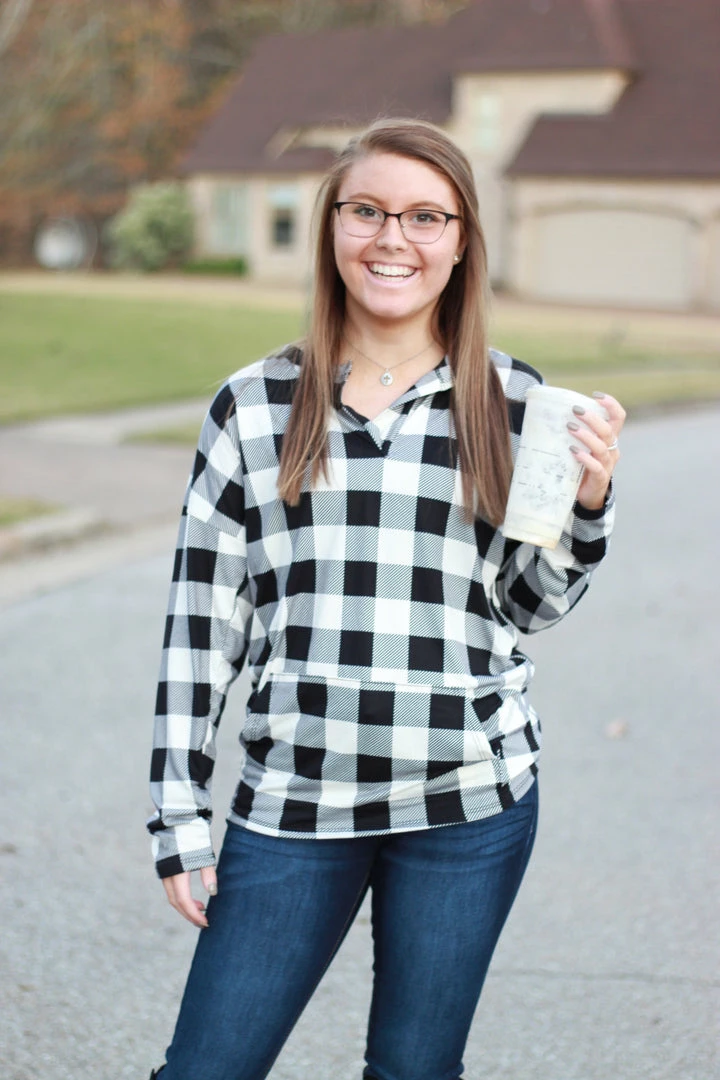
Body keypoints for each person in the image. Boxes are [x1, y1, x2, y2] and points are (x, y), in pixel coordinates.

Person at [147, 117, 625, 1080]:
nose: (392, 239)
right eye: (367, 211)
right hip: (295, 799)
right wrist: (179, 815)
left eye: (423, 216)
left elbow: (528, 607)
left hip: (465, 801)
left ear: (460, 239)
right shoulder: (255, 406)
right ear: (333, 227)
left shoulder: (514, 402)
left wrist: (588, 502)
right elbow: (203, 625)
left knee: (414, 1072)